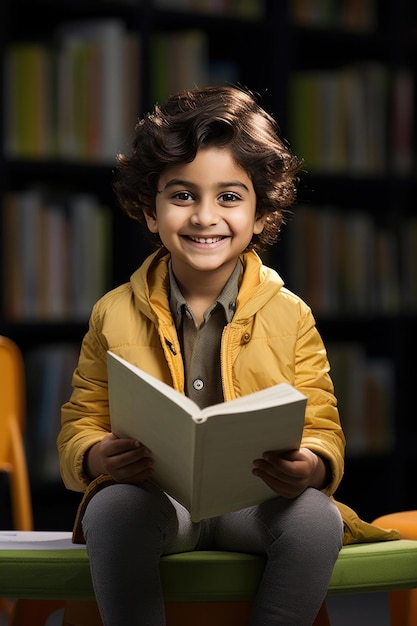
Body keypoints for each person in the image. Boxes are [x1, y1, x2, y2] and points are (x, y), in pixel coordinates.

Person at [57, 85, 397, 626]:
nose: (204, 216)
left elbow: (322, 426)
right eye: (183, 195)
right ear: (150, 211)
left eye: (230, 197)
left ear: (261, 214)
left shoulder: (292, 315)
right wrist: (99, 456)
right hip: (157, 502)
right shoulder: (112, 313)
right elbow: (81, 423)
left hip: (255, 502)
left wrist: (309, 465)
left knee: (315, 519)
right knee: (113, 508)